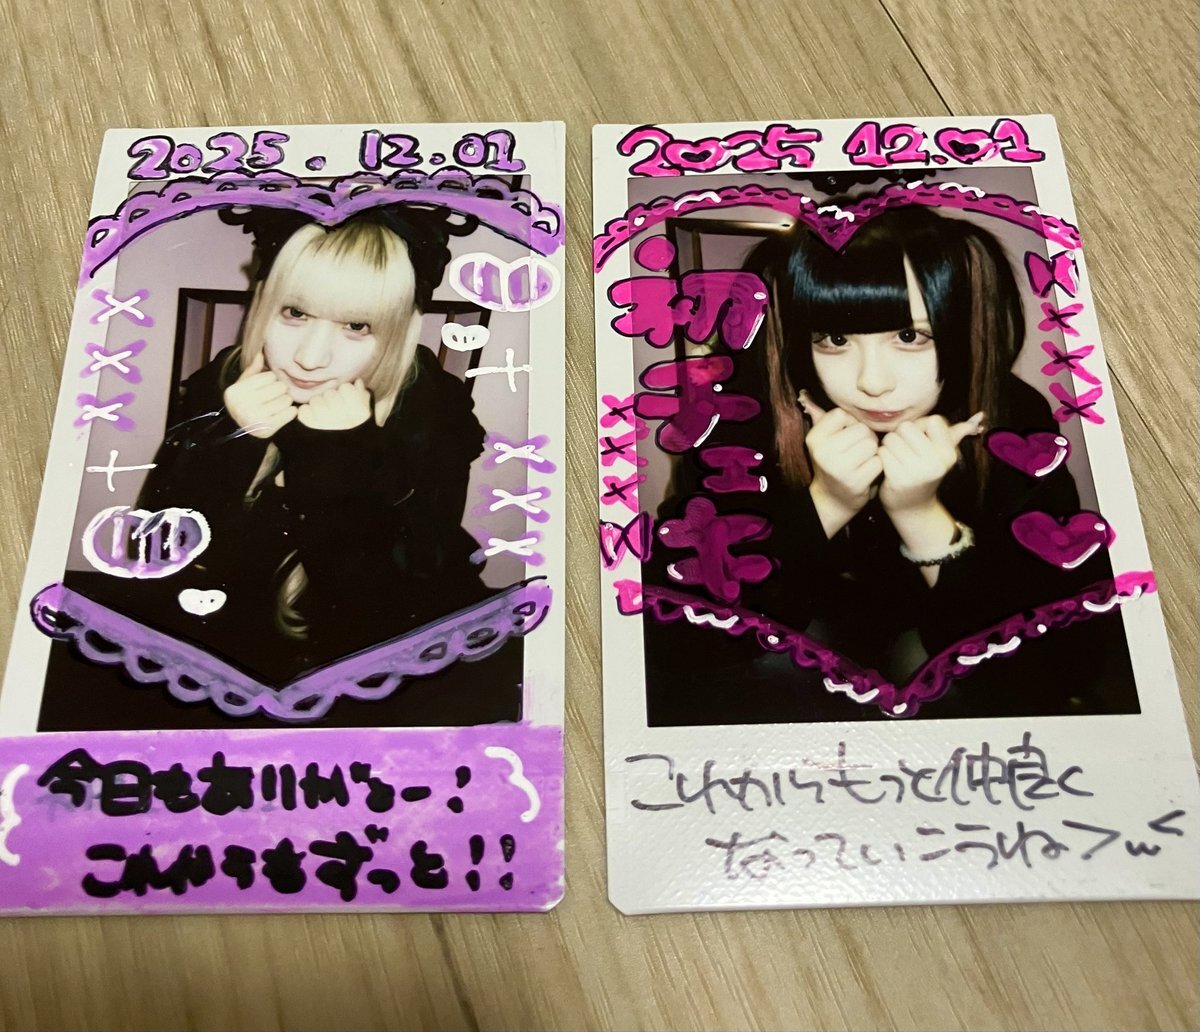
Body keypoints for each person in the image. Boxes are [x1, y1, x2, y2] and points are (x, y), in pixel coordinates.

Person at [643, 205, 1138, 725]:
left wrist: (921, 517)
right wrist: (827, 503)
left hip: (938, 650)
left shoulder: (1008, 417)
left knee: (925, 671)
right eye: (835, 339)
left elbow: (1052, 675)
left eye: (909, 337)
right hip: (796, 648)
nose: (872, 383)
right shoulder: (742, 416)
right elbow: (682, 647)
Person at [40, 209, 523, 729]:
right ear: (264, 302)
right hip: (221, 642)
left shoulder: (431, 416)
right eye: (294, 313)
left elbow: (382, 611)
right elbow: (156, 551)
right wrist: (233, 439)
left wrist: (337, 454)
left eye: (356, 326)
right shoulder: (223, 385)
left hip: (355, 667)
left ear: (396, 331)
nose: (310, 357)